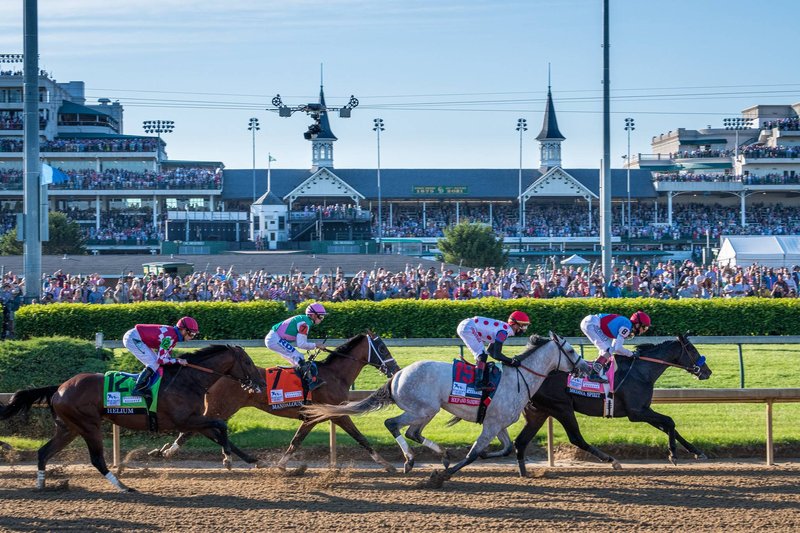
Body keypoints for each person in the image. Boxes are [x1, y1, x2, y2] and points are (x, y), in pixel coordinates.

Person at [122, 316, 199, 398]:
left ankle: (146, 383)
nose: (191, 337)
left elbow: (167, 357)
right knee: (154, 363)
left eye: (194, 334)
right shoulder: (169, 338)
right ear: (183, 330)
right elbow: (161, 360)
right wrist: (178, 361)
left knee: (155, 363)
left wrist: (176, 360)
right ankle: (137, 389)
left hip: (137, 337)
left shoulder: (173, 336)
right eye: (191, 334)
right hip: (133, 338)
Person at [456, 311, 530, 391]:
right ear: (515, 324)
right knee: (482, 355)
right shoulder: (503, 332)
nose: (524, 329)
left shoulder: (504, 330)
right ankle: (478, 384)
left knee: (483, 354)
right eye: (523, 326)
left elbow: (491, 352)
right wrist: (511, 361)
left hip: (467, 325)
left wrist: (508, 361)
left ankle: (479, 379)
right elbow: (497, 354)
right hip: (468, 326)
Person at [265, 302, 327, 391]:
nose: (321, 319)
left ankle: (298, 384)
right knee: (299, 357)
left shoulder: (305, 321)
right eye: (320, 317)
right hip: (274, 339)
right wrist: (316, 345)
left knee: (296, 362)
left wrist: (315, 346)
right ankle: (310, 383)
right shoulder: (304, 324)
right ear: (313, 315)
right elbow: (301, 344)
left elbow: (301, 343)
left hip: (274, 338)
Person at [580, 310, 651, 383]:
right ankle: (593, 374)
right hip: (591, 323)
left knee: (608, 350)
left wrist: (630, 354)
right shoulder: (627, 327)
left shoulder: (626, 325)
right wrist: (631, 354)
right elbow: (618, 348)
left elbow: (615, 349)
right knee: (607, 350)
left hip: (590, 322)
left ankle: (597, 368)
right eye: (644, 327)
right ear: (637, 324)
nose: (644, 330)